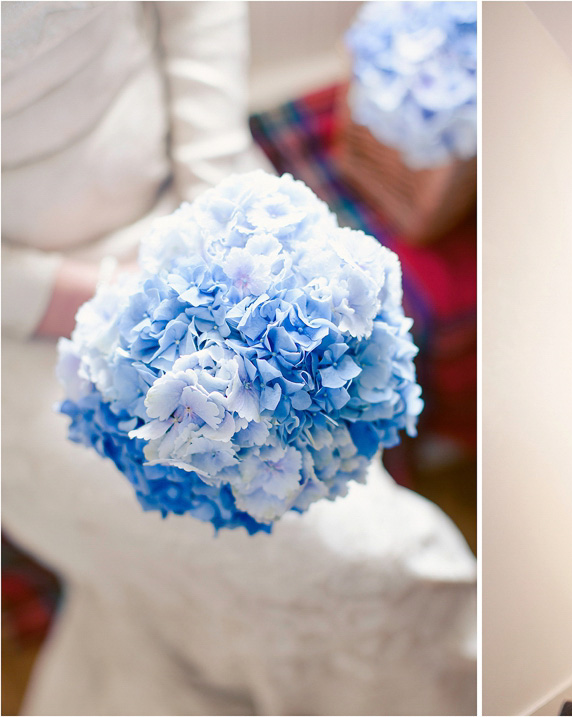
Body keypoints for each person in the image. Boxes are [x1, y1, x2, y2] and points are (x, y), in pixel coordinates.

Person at [1, 3, 476, 714]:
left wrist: (211, 206)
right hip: (22, 328)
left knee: (337, 551)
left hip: (192, 213)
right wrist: (81, 297)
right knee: (375, 566)